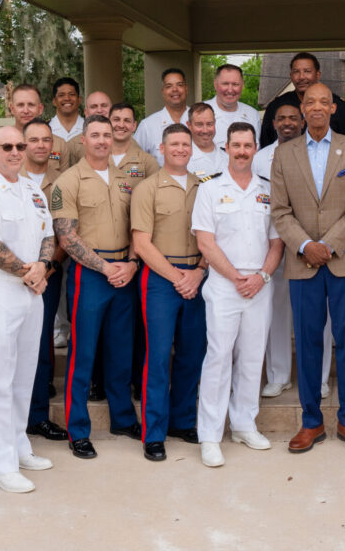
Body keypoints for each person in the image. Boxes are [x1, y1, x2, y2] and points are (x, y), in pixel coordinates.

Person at [271, 83, 345, 453]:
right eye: (309, 101)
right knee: (309, 345)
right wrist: (305, 245)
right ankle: (311, 423)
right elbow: (280, 210)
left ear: (332, 108)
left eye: (323, 102)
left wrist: (327, 245)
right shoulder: (284, 155)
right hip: (302, 264)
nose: (315, 107)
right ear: (302, 107)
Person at [192, 122, 283, 467]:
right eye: (236, 145)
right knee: (218, 358)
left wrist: (260, 276)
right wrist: (236, 277)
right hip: (224, 285)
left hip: (260, 284)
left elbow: (277, 242)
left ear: (255, 148)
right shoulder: (210, 190)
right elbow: (205, 241)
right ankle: (210, 435)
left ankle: (244, 424)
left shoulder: (268, 190)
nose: (242, 151)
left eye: (248, 145)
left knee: (252, 356)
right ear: (226, 147)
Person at [51, 115, 141, 459]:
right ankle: (78, 430)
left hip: (125, 273)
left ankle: (121, 418)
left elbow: (138, 228)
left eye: (107, 134)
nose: (103, 140)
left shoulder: (127, 179)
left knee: (121, 351)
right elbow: (67, 236)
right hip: (91, 275)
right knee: (83, 354)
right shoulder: (68, 181)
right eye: (96, 135)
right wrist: (105, 268)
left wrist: (130, 265)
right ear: (83, 141)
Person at [0, 125, 55, 493]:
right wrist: (28, 271)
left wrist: (42, 267)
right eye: (7, 146)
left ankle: (19, 446)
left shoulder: (33, 188)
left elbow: (49, 235)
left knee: (24, 376)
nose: (16, 151)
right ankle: (0, 465)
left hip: (32, 290)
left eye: (21, 145)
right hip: (0, 291)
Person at [132, 123, 207, 462]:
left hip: (197, 276)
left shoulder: (204, 187)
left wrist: (199, 272)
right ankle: (154, 432)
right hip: (162, 279)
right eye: (173, 144)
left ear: (192, 149)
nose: (180, 149)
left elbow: (213, 235)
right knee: (159, 358)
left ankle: (182, 421)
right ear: (161, 149)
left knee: (192, 355)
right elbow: (141, 243)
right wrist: (178, 277)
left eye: (185, 144)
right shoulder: (147, 188)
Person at [20, 118, 69, 441]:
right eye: (33, 139)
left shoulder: (63, 182)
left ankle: (37, 416)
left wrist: (46, 269)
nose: (40, 145)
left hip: (48, 276)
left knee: (39, 347)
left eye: (45, 140)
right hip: (8, 276)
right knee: (1, 347)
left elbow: (65, 234)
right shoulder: (5, 180)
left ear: (53, 146)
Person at [254, 104, 303, 397]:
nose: (287, 123)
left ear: (302, 121)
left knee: (314, 313)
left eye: (293, 118)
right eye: (282, 118)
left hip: (308, 243)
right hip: (272, 243)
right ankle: (279, 374)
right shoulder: (260, 159)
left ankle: (320, 377)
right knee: (277, 311)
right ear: (273, 123)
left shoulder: (316, 152)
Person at [260, 52, 345, 148]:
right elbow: (266, 145)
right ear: (291, 75)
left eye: (307, 71)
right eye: (296, 72)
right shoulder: (276, 106)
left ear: (318, 75)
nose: (301, 77)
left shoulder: (339, 106)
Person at [0, 84, 69, 173]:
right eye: (20, 105)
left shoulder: (60, 145)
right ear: (12, 109)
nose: (26, 111)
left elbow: (64, 183)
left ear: (40, 108)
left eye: (31, 105)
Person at [135, 68, 190, 166]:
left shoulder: (200, 123)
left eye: (179, 85)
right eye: (169, 86)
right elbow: (133, 163)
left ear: (186, 89)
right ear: (163, 91)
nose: (175, 89)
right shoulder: (147, 126)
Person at [204, 64, 261, 149]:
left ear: (242, 85)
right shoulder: (197, 113)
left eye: (235, 84)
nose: (230, 90)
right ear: (215, 84)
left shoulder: (252, 114)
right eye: (225, 84)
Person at [108, 103, 160, 183]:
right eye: (116, 119)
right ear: (108, 123)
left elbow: (155, 193)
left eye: (127, 120)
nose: (121, 125)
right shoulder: (94, 158)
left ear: (134, 126)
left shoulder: (148, 162)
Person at [66, 91, 113, 164]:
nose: (99, 110)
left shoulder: (127, 142)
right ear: (86, 112)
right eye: (94, 107)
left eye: (104, 105)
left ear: (112, 110)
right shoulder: (72, 146)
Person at [187, 102, 228, 179]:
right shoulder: (183, 159)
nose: (205, 130)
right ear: (189, 125)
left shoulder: (228, 156)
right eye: (199, 124)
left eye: (209, 124)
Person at [49, 77, 84, 142]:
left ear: (79, 100)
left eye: (72, 94)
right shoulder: (46, 128)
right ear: (54, 101)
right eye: (61, 95)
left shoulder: (89, 127)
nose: (67, 98)